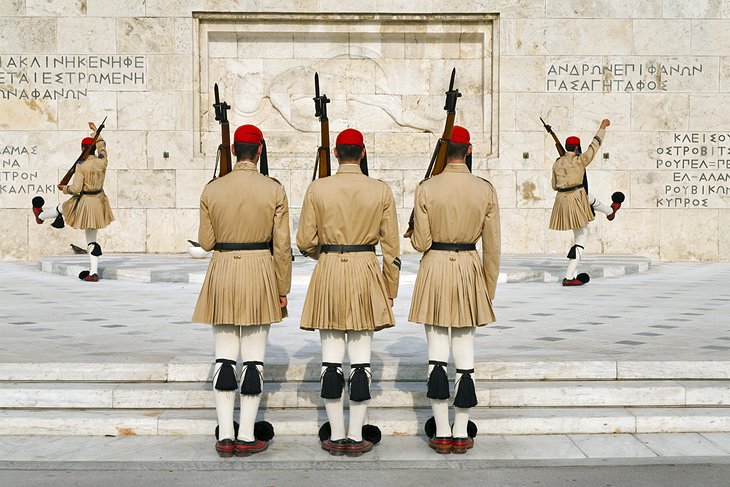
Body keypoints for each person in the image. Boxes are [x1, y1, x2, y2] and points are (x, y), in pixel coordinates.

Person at [296, 128, 400, 457]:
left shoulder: (318, 188)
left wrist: (324, 255)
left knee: (330, 360)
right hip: (366, 269)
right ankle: (355, 435)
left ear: (337, 154)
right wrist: (390, 286)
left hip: (328, 268)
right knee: (360, 361)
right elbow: (392, 246)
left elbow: (304, 241)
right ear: (363, 153)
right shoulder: (380, 190)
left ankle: (335, 433)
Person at [192, 124, 292, 457]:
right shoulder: (274, 189)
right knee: (253, 360)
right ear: (260, 151)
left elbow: (206, 242)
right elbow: (282, 247)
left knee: (224, 357)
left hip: (222, 270)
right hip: (260, 270)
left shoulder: (212, 189)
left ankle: (224, 434)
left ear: (234, 151)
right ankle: (247, 435)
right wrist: (282, 287)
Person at [407, 126, 500, 454]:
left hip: (434, 267)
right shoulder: (485, 190)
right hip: (468, 267)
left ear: (445, 153)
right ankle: (461, 431)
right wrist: (486, 289)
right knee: (464, 349)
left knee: (436, 351)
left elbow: (422, 243)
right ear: (470, 150)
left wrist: (414, 233)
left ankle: (441, 430)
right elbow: (493, 246)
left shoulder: (426, 188)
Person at [31, 121, 114, 282]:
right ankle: (94, 272)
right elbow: (102, 146)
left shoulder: (81, 166)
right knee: (92, 240)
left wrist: (64, 188)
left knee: (63, 207)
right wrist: (96, 132)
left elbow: (75, 189)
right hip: (99, 202)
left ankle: (40, 215)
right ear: (94, 149)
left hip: (85, 201)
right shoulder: (103, 161)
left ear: (83, 149)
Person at [549, 119, 623, 286]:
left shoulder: (557, 163)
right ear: (576, 148)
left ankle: (610, 212)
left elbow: (554, 185)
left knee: (588, 198)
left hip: (561, 201)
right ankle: (569, 278)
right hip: (576, 199)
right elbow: (594, 145)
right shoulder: (579, 160)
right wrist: (602, 127)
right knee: (581, 239)